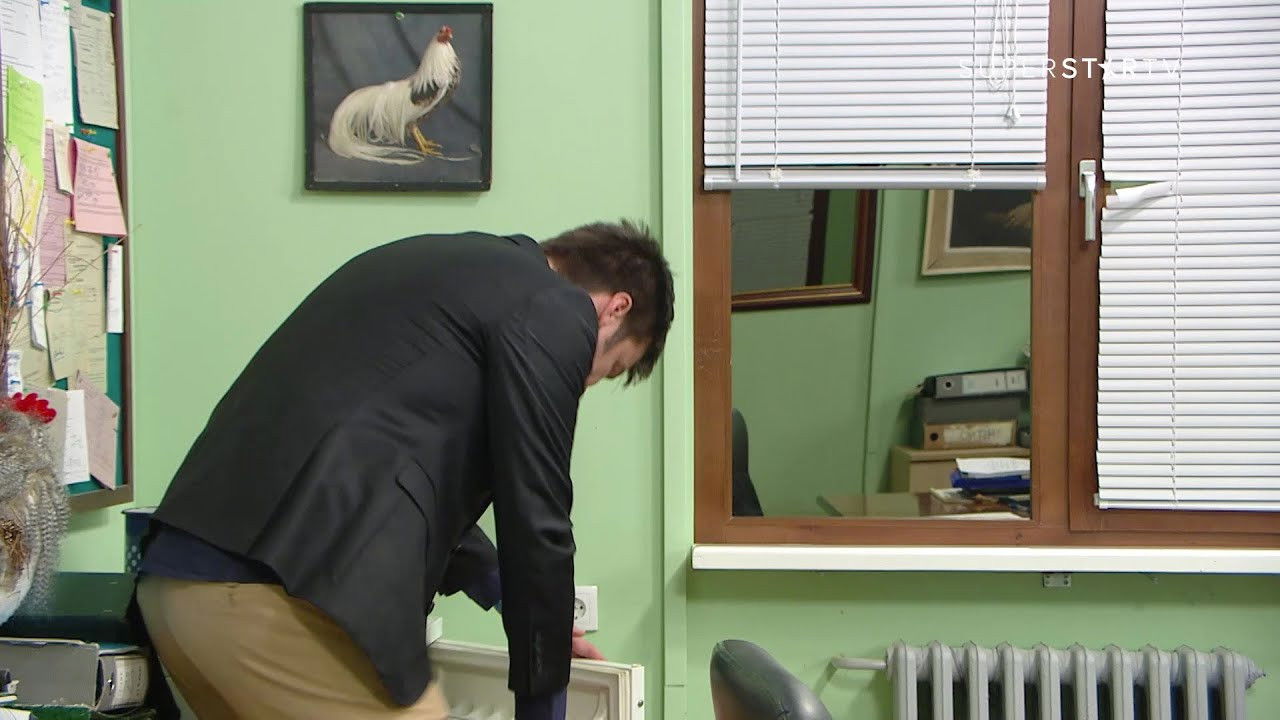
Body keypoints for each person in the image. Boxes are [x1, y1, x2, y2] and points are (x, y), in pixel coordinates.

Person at [135, 221, 675, 720]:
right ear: (614, 309)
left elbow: (385, 469)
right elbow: (537, 516)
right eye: (610, 367)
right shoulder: (556, 305)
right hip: (271, 605)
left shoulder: (443, 267)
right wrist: (545, 697)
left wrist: (511, 599)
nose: (585, 381)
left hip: (179, 595)